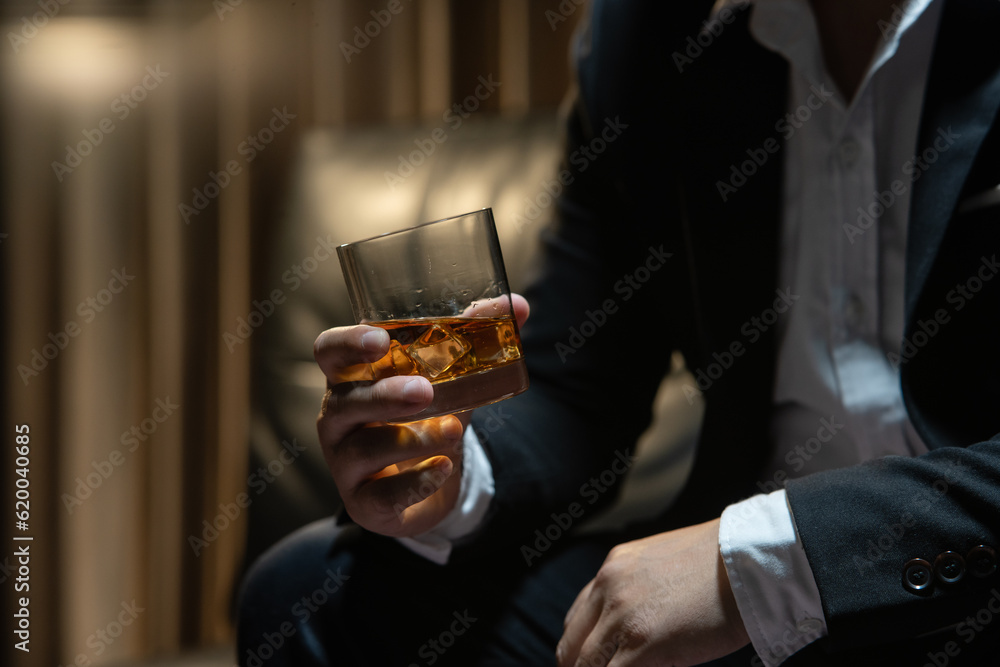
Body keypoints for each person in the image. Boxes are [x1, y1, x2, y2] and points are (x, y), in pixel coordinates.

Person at [237, 0, 1000, 664]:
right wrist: (451, 469)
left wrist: (770, 558)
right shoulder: (650, 29)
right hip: (736, 595)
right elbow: (579, 378)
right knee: (311, 595)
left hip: (958, 577)